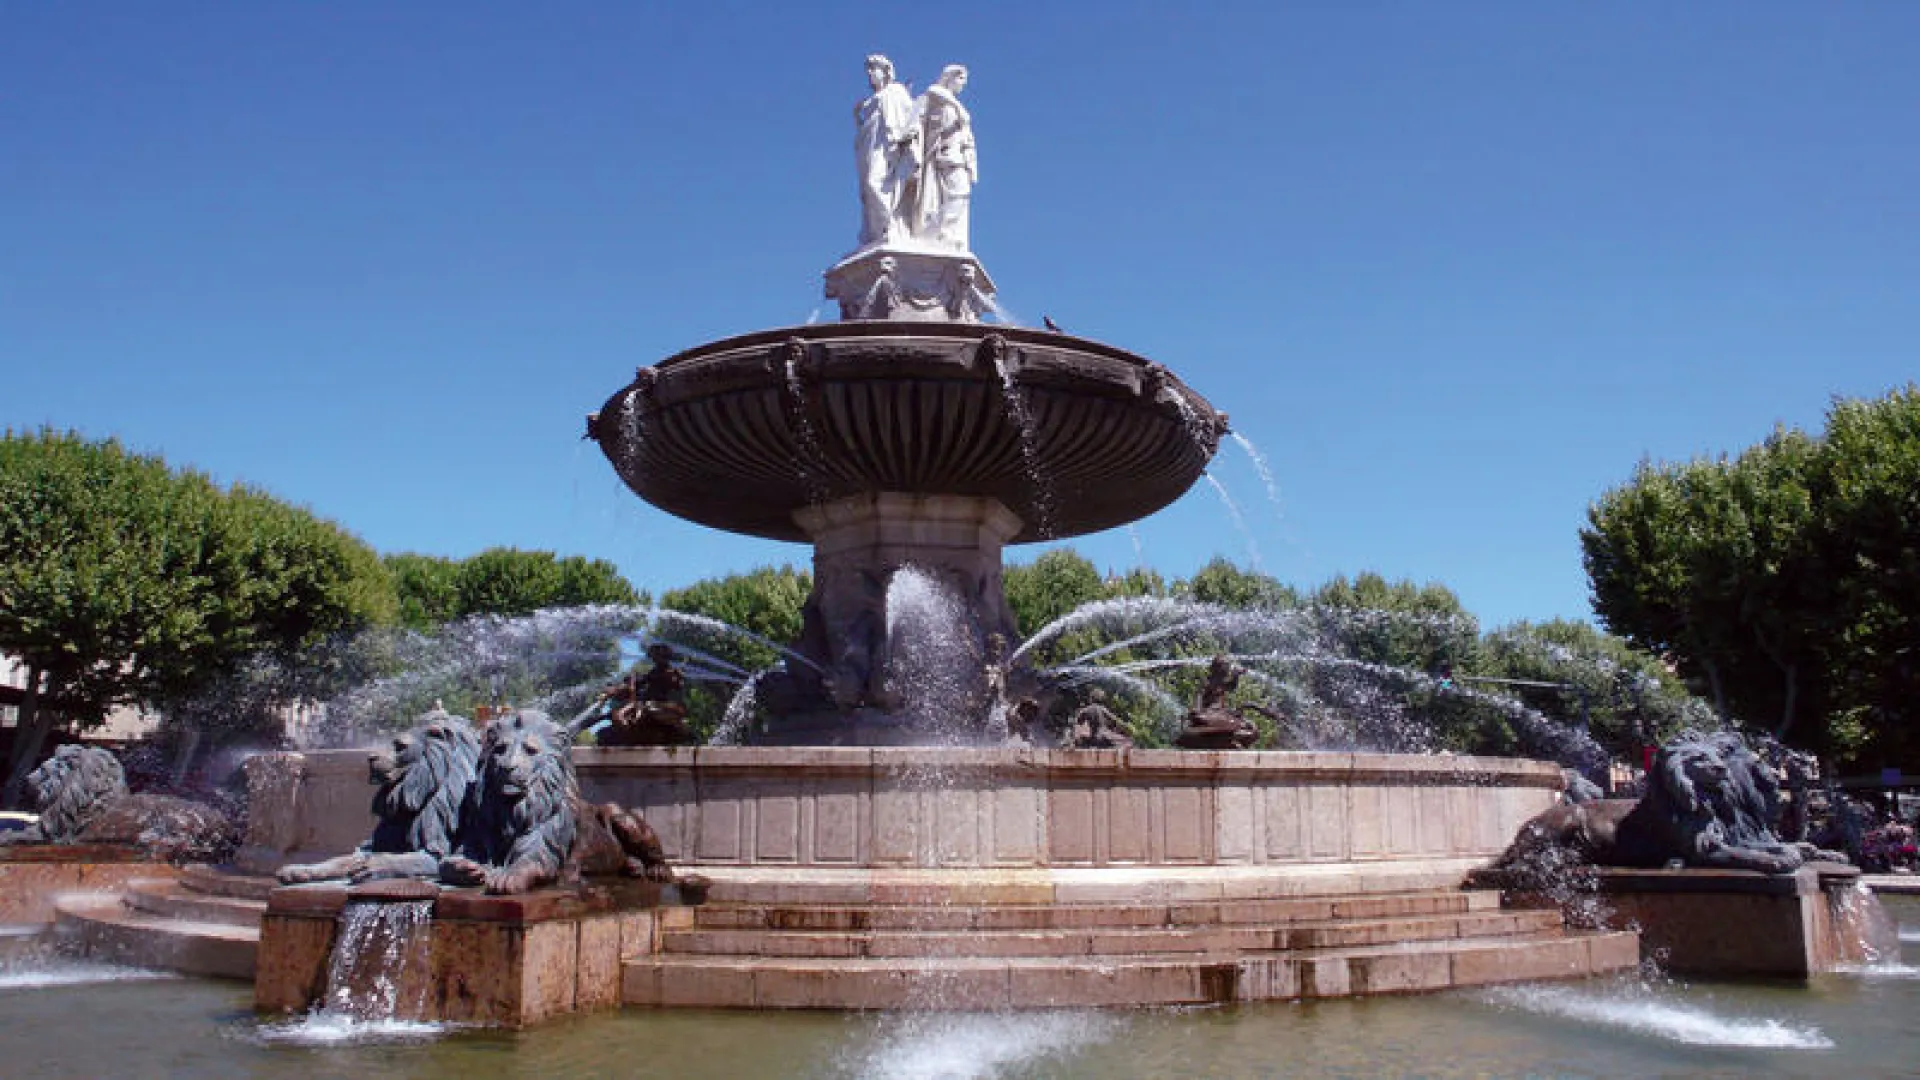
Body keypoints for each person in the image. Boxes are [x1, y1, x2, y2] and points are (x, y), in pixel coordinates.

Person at [910, 64, 976, 250]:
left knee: (959, 195)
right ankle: (939, 231)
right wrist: (958, 108)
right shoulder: (940, 99)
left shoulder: (952, 106)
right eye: (961, 79)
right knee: (958, 193)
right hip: (945, 156)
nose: (963, 84)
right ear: (951, 77)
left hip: (957, 157)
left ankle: (944, 230)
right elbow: (933, 90)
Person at [855, 55, 919, 248]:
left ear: (885, 71)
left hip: (887, 145)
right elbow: (865, 126)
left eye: (873, 69)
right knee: (867, 189)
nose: (869, 74)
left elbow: (911, 114)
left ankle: (889, 226)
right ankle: (876, 231)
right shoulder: (869, 101)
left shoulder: (896, 91)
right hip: (869, 145)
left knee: (876, 182)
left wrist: (909, 136)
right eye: (868, 70)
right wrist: (857, 116)